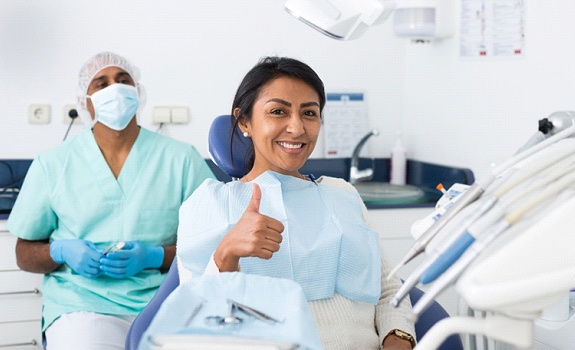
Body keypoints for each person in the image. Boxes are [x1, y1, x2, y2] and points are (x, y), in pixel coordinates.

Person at [176, 56, 416, 350]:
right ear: (244, 122)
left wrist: (398, 337)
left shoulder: (342, 194)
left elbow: (388, 288)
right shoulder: (208, 206)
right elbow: (193, 325)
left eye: (309, 113)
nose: (297, 128)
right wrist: (226, 254)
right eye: (278, 111)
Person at [6, 51, 216, 349]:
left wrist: (155, 256)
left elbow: (213, 244)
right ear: (85, 100)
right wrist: (61, 251)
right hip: (81, 304)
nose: (114, 89)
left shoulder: (181, 160)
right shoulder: (53, 164)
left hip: (165, 299)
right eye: (100, 84)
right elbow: (24, 253)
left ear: (138, 91)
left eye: (123, 80)